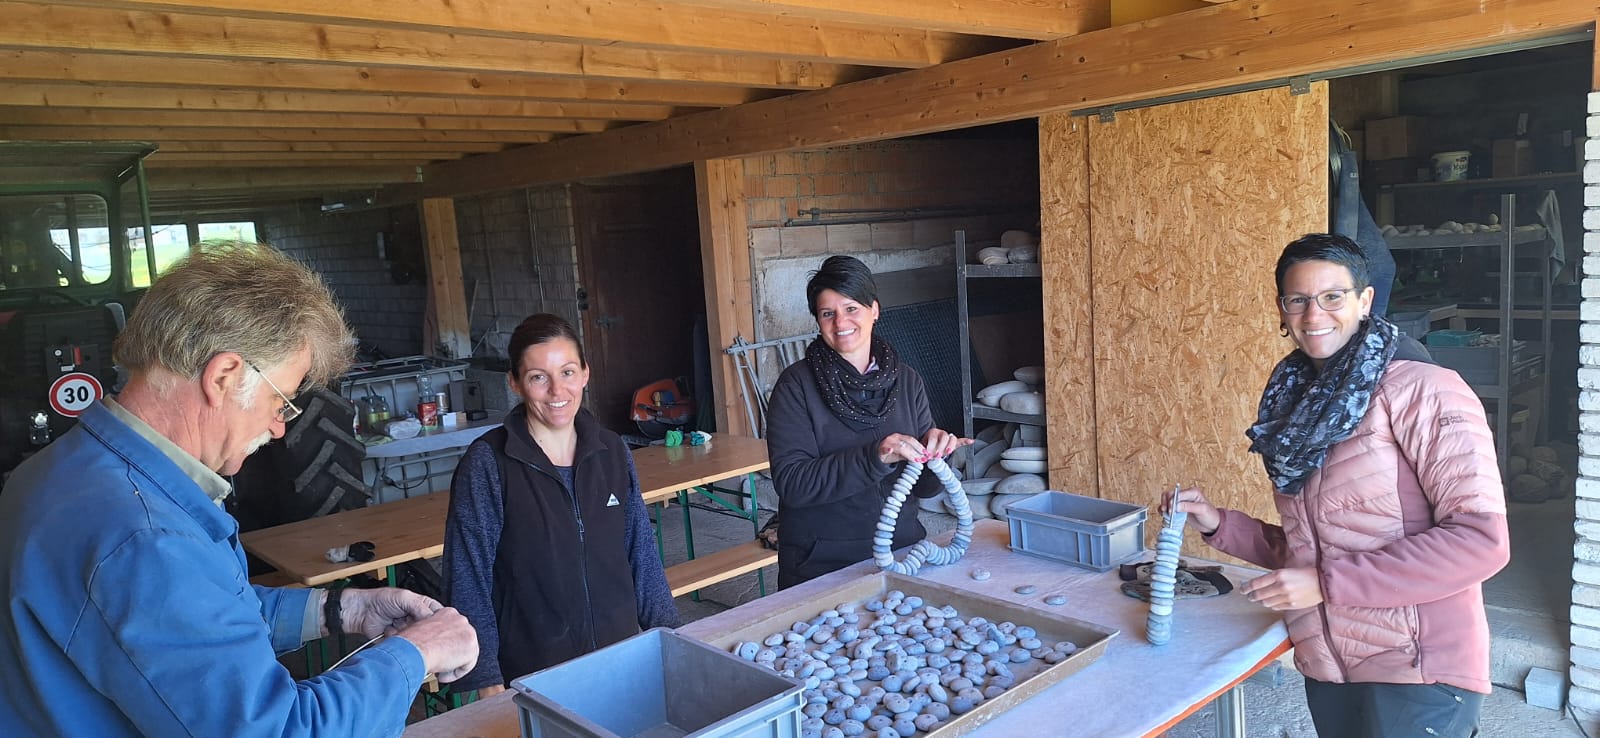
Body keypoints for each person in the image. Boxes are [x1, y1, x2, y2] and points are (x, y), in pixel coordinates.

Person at [0, 242, 480, 738]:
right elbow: (278, 731)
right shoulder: (145, 537)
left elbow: (201, 617)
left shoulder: (57, 469)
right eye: (281, 401)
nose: (279, 427)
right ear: (225, 376)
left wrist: (343, 609)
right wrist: (417, 652)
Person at [1164, 234, 1509, 737]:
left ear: (1364, 300)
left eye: (1332, 296)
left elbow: (1481, 542)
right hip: (1329, 664)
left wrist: (1326, 585)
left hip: (1417, 667)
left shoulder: (1422, 389)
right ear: (1281, 309)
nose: (1313, 315)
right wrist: (1220, 525)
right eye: (1298, 299)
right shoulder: (1296, 405)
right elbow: (1314, 550)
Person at [444, 313, 680, 697]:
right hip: (534, 675)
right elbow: (468, 575)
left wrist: (672, 635)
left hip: (621, 658)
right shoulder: (488, 462)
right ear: (515, 382)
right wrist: (486, 679)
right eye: (539, 377)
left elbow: (640, 550)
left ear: (585, 373)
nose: (557, 390)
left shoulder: (612, 450)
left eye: (567, 372)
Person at [766, 255, 971, 588]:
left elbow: (925, 488)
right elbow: (793, 483)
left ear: (874, 309)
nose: (840, 322)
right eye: (827, 313)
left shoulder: (906, 380)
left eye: (851, 308)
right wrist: (875, 457)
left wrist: (936, 456)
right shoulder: (796, 386)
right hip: (821, 564)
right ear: (818, 321)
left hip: (903, 553)